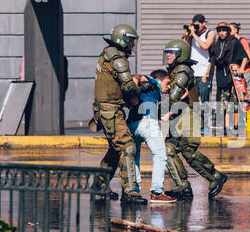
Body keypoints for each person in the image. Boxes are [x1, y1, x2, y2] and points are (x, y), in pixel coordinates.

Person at [161, 39, 228, 200]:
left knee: (188, 151)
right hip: (180, 116)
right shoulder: (177, 69)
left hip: (189, 115)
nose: (168, 55)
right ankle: (182, 186)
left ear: (180, 54)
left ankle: (215, 176)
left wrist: (151, 108)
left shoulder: (182, 71)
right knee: (168, 150)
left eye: (172, 53)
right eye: (167, 52)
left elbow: (173, 98)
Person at [90, 24, 148, 205]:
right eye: (131, 40)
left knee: (115, 149)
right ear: (122, 39)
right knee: (127, 147)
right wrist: (143, 88)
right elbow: (129, 86)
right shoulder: (117, 58)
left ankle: (100, 186)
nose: (132, 44)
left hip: (107, 110)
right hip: (111, 110)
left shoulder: (108, 53)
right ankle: (130, 191)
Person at [127, 69, 176, 203]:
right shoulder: (154, 82)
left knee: (135, 157)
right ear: (162, 79)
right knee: (160, 155)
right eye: (168, 81)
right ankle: (157, 192)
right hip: (147, 122)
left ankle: (135, 190)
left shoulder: (148, 90)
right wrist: (137, 80)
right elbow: (137, 76)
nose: (169, 85)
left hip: (132, 124)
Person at [209, 22, 249, 132]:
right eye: (220, 31)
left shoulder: (234, 42)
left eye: (224, 30)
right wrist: (207, 74)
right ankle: (226, 127)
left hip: (234, 76)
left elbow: (245, 57)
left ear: (228, 31)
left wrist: (241, 68)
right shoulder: (216, 44)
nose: (221, 33)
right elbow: (212, 61)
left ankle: (236, 125)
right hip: (221, 75)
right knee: (223, 102)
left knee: (235, 102)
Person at [183, 13, 216, 104]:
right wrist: (188, 34)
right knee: (193, 100)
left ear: (203, 23)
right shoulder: (192, 35)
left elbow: (205, 46)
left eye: (198, 25)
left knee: (204, 100)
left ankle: (206, 118)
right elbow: (185, 47)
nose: (196, 27)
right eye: (194, 25)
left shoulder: (210, 33)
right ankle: (196, 118)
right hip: (192, 71)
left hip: (204, 71)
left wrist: (194, 34)